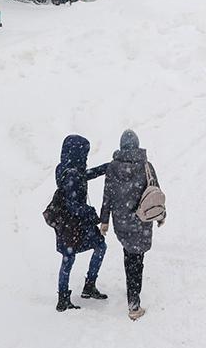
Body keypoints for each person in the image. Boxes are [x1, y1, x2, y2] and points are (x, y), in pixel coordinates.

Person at [100, 129, 164, 321]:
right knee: (137, 259)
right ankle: (134, 304)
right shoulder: (146, 166)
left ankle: (132, 291)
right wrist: (161, 215)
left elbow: (107, 196)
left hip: (122, 223)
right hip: (141, 221)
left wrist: (105, 221)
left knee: (129, 256)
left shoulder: (112, 167)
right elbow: (155, 192)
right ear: (137, 145)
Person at [54, 135, 109, 312]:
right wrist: (91, 213)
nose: (85, 156)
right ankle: (75, 293)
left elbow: (85, 175)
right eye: (84, 152)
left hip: (68, 223)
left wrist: (106, 167)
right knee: (96, 247)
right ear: (78, 153)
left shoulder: (65, 168)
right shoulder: (72, 173)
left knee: (69, 257)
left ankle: (66, 296)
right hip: (74, 224)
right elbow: (73, 205)